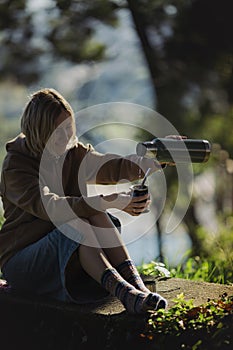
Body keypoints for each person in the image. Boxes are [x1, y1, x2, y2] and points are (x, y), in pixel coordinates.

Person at [0, 88, 169, 314]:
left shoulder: (70, 151)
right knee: (79, 220)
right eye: (57, 132)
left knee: (93, 213)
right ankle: (125, 294)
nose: (66, 136)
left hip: (66, 250)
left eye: (68, 128)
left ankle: (137, 288)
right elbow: (51, 207)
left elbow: (109, 167)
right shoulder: (16, 166)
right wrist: (108, 200)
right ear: (39, 131)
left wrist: (154, 161)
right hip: (23, 263)